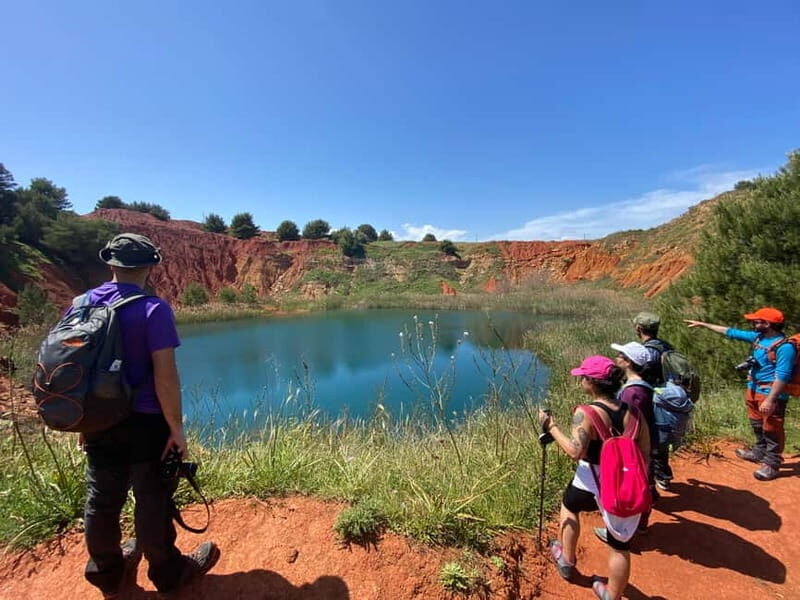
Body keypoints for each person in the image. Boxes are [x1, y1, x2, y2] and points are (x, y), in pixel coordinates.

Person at [78, 233, 220, 598]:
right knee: (153, 496)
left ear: (110, 263)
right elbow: (166, 376)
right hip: (146, 422)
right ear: (151, 266)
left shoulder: (81, 305)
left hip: (98, 420)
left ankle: (107, 573)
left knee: (102, 499)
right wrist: (176, 428)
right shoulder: (153, 309)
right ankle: (169, 573)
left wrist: (83, 420)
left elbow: (75, 370)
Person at [539, 356, 650, 600]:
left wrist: (551, 427)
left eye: (582, 377)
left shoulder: (586, 412)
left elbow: (574, 451)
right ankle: (612, 594)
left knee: (569, 507)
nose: (580, 381)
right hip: (625, 485)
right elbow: (644, 454)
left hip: (589, 480)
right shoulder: (634, 414)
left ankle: (566, 560)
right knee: (620, 545)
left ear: (591, 382)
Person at [686, 307, 795, 481]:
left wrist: (771, 399)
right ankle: (759, 451)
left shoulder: (784, 347)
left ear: (768, 324)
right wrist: (703, 324)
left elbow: (783, 376)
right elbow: (730, 332)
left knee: (772, 428)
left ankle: (772, 463)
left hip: (769, 393)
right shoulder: (759, 337)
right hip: (754, 389)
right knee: (757, 423)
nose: (753, 323)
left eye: (757, 321)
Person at [633, 311, 675, 489]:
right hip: (667, 396)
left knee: (648, 438)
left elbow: (644, 375)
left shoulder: (648, 350)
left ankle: (651, 480)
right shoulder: (666, 346)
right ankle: (663, 474)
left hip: (652, 399)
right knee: (660, 436)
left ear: (639, 328)